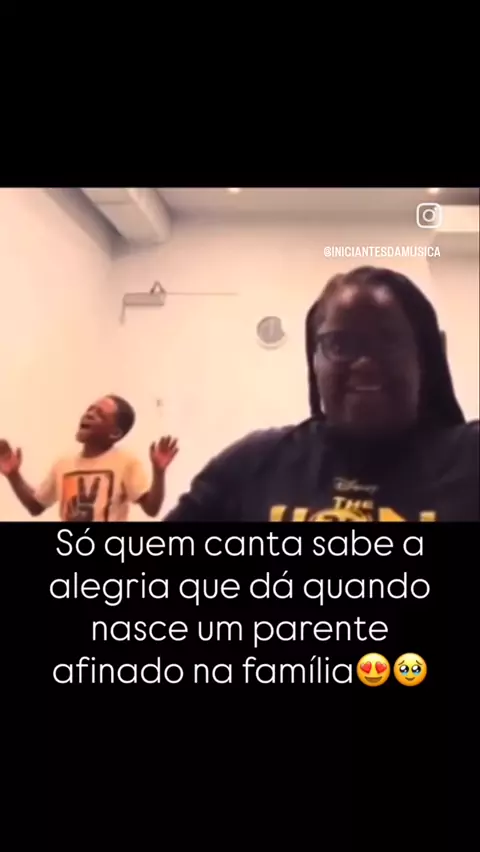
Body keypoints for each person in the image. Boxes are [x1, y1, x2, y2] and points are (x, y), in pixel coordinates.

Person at [163, 266, 479, 522]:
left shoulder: (469, 460)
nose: (365, 363)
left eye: (388, 342)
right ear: (314, 360)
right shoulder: (255, 463)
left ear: (422, 358)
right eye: (339, 345)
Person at [0, 395, 178, 521]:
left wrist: (159, 472)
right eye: (90, 410)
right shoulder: (63, 464)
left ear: (115, 433)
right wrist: (13, 475)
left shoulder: (126, 461)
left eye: (100, 414)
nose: (89, 414)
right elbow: (36, 506)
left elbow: (151, 509)